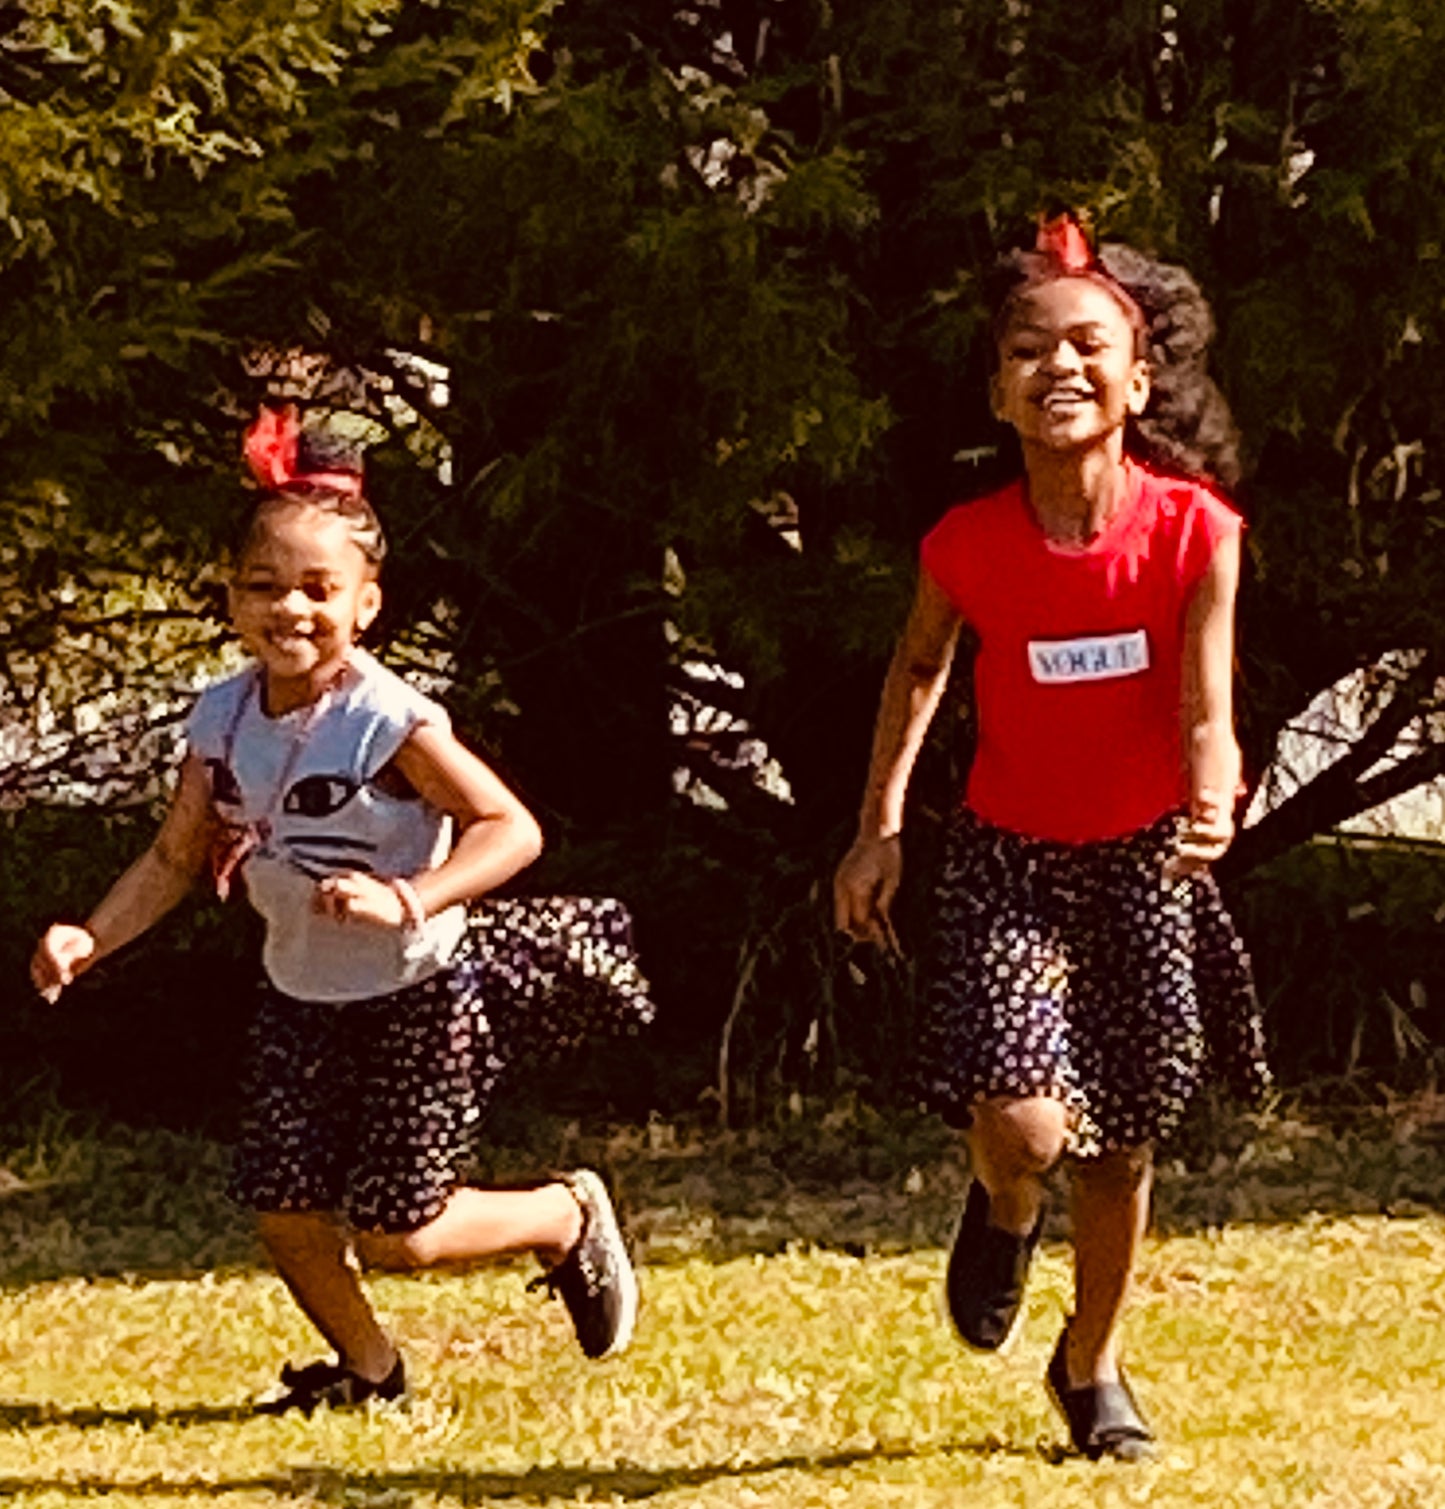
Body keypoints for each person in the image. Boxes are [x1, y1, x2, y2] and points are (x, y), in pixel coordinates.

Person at [29, 405, 653, 1414]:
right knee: (284, 1212)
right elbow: (174, 857)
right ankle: (371, 1372)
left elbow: (510, 828)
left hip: (419, 991)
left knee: (399, 1233)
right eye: (264, 587)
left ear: (366, 605)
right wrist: (89, 938)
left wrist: (408, 895)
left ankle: (561, 1216)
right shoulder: (221, 716)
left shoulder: (387, 718)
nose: (291, 611)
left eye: (319, 590)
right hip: (299, 998)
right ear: (229, 598)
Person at [833, 215, 1269, 1461]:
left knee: (1121, 1138)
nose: (1059, 369)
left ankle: (1090, 1366)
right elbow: (918, 668)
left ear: (1140, 381)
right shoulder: (966, 543)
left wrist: (1211, 788)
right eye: (1029, 350)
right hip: (1007, 862)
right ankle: (1001, 1202)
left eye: (1089, 346)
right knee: (1026, 1125)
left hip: (1142, 862)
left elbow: (1204, 697)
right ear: (996, 391)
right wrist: (878, 828)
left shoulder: (1194, 532)